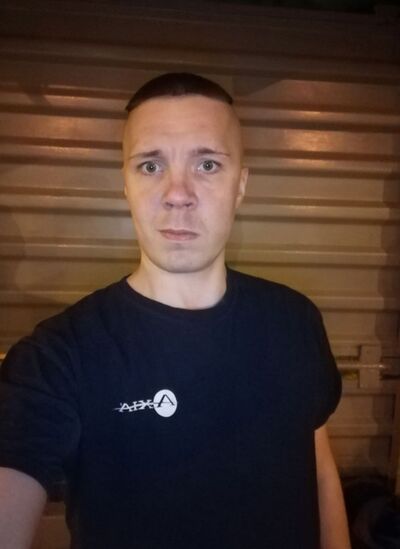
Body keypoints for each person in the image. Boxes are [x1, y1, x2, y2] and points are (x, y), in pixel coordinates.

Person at [0, 72, 351, 549]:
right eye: (150, 166)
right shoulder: (58, 356)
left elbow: (319, 468)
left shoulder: (295, 320)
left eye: (207, 164)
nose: (177, 193)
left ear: (241, 185)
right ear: (125, 184)